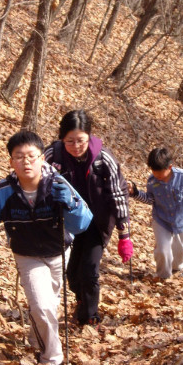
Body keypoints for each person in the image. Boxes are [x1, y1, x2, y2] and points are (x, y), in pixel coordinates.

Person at [0, 130, 93, 365]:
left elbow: (82, 223)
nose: (26, 162)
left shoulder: (58, 184)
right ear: (11, 161)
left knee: (48, 304)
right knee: (42, 305)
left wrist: (70, 203)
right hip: (26, 255)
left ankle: (37, 340)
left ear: (42, 158)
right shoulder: (5, 190)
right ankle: (52, 359)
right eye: (19, 157)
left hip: (59, 252)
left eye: (32, 156)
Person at [44, 109, 133, 326]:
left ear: (89, 136)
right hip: (69, 219)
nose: (76, 146)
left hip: (97, 221)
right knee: (72, 273)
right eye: (70, 141)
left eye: (81, 140)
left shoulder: (103, 159)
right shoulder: (52, 156)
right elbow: (35, 178)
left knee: (89, 268)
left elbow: (118, 194)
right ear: (61, 138)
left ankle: (90, 316)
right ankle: (81, 300)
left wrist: (124, 235)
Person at [129, 147, 183, 280]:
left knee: (179, 250)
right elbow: (150, 199)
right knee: (162, 250)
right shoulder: (152, 181)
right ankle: (163, 276)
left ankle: (176, 269)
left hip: (181, 220)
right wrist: (135, 193)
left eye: (160, 174)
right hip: (161, 220)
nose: (158, 177)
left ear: (170, 167)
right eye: (154, 172)